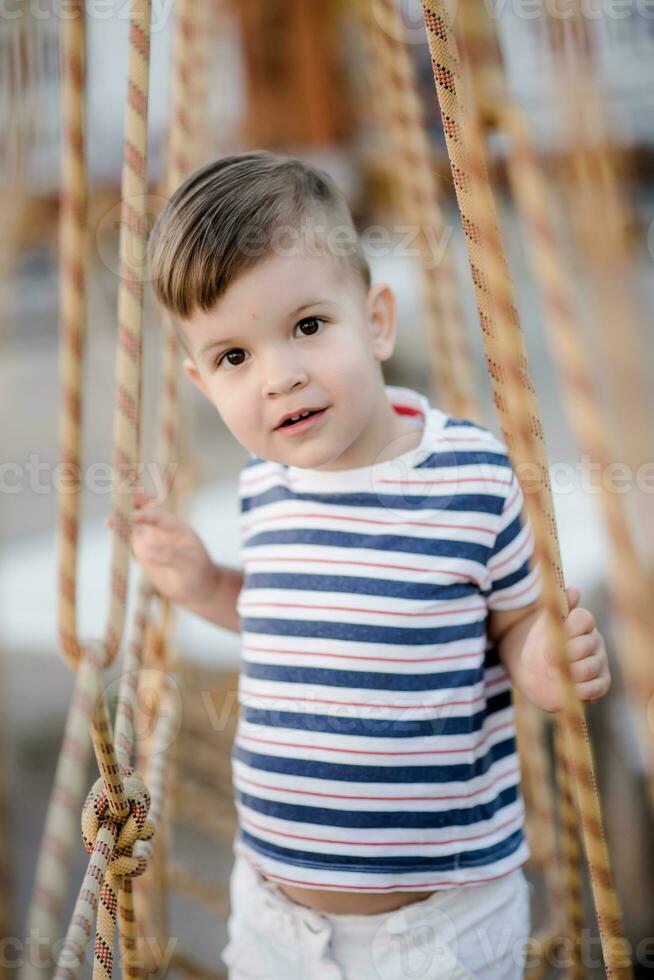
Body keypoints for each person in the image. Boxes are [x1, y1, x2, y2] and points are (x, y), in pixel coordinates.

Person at [122, 151, 611, 978]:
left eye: (308, 326)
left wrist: (546, 661)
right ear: (201, 381)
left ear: (376, 321)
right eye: (234, 357)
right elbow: (289, 618)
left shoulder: (469, 475)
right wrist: (207, 585)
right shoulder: (264, 487)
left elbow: (517, 621)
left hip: (439, 928)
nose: (281, 376)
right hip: (275, 912)